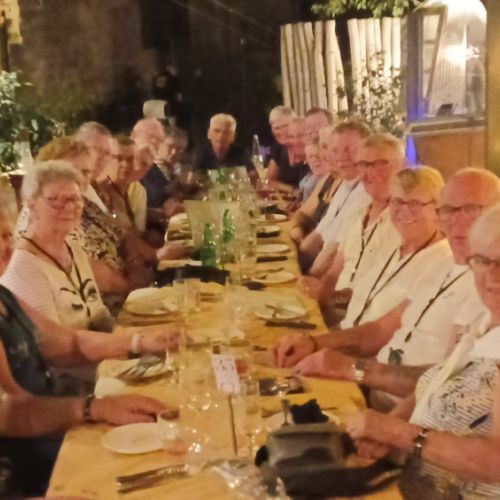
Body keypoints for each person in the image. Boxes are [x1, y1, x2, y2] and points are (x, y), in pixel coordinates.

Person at [289, 168, 499, 412]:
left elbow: (444, 389)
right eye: (449, 210)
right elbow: (381, 329)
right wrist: (313, 343)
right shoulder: (442, 264)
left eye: (471, 209)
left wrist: (354, 370)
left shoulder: (489, 288)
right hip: (368, 393)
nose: (456, 222)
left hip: (388, 407)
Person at [344, 204, 500, 499]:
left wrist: (397, 433)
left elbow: (495, 463)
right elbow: (432, 386)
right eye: (482, 260)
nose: (493, 274)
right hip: (402, 482)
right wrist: (390, 430)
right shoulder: (482, 326)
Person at [273, 167, 452, 370]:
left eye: (415, 204)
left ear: (438, 209)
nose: (404, 211)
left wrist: (316, 344)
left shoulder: (441, 262)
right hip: (343, 337)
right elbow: (358, 298)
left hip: (365, 363)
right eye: (397, 202)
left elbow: (379, 333)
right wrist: (325, 298)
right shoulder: (393, 245)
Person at [2, 161, 112, 332]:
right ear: (32, 206)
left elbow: (99, 313)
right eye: (55, 199)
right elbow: (54, 343)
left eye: (75, 198)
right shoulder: (23, 266)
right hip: (78, 349)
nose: (69, 206)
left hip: (102, 344)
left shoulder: (72, 247)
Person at [298, 133, 405, 307]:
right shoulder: (358, 210)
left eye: (381, 163)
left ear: (401, 165)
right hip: (333, 307)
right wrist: (317, 291)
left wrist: (328, 297)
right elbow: (334, 272)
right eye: (363, 164)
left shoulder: (403, 221)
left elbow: (382, 294)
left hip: (359, 314)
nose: (370, 172)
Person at [300, 121, 372, 275]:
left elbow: (333, 253)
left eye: (348, 149)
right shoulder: (345, 184)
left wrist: (308, 277)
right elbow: (317, 235)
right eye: (335, 150)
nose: (341, 157)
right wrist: (295, 266)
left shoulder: (368, 192)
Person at [290, 126, 340, 243]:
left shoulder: (354, 187)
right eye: (323, 147)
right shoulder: (329, 178)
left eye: (334, 148)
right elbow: (302, 213)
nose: (326, 153)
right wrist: (298, 229)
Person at [268, 116, 309, 191]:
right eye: (291, 136)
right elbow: (270, 181)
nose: (296, 141)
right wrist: (292, 189)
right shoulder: (284, 152)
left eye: (301, 135)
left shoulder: (315, 159)